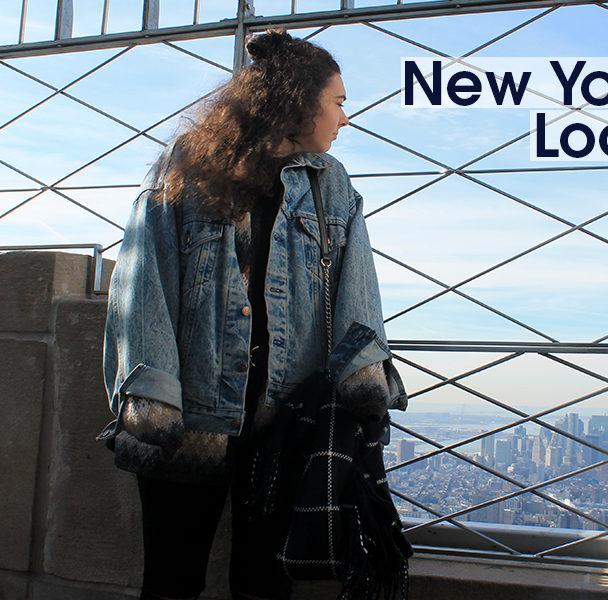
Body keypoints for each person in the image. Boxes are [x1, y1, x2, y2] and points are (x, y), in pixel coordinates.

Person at [96, 28, 407, 600]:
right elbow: (143, 282)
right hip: (191, 418)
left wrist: (364, 375)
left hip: (283, 421)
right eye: (337, 102)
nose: (345, 118)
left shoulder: (330, 184)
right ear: (296, 100)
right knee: (171, 578)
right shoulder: (185, 167)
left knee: (265, 583)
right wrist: (152, 397)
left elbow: (357, 284)